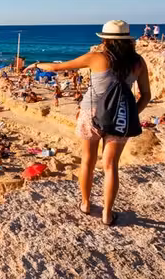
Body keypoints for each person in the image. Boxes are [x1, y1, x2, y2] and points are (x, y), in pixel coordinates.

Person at [25, 20, 151, 226]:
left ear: (106, 40)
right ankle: (108, 215)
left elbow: (57, 67)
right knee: (111, 166)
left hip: (90, 113)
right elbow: (146, 95)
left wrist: (37, 64)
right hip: (120, 115)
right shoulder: (138, 62)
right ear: (128, 40)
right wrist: (130, 114)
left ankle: (85, 204)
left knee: (88, 161)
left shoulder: (97, 57)